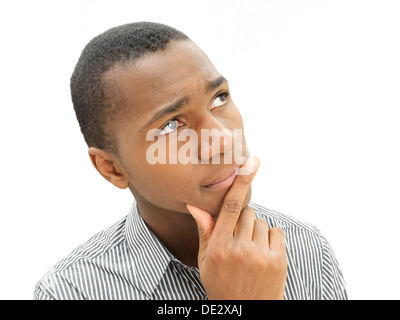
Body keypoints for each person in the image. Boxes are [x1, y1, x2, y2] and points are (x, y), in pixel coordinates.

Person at [34, 22, 348, 300]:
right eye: (171, 124)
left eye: (219, 98)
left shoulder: (307, 251)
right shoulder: (70, 290)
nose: (223, 140)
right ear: (112, 168)